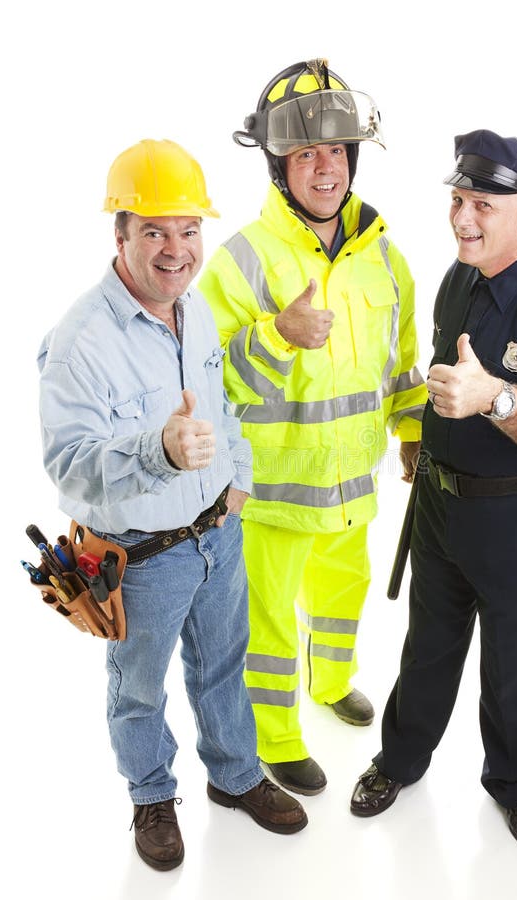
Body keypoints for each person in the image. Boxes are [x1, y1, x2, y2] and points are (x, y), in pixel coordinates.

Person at [37, 139, 307, 872]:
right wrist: (157, 449)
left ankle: (235, 774)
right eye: (153, 230)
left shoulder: (198, 314)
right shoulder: (81, 341)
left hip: (215, 536)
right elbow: (67, 464)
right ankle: (152, 795)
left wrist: (237, 478)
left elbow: (226, 408)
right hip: (142, 558)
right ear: (119, 234)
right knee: (137, 688)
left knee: (224, 664)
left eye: (188, 229)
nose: (175, 249)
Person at [350, 130, 517, 850]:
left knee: (513, 658)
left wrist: (494, 397)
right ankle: (399, 759)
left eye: (482, 206)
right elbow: (441, 379)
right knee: (427, 647)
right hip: (439, 505)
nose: (462, 218)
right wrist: (421, 446)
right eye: (458, 200)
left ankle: (515, 781)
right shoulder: (458, 277)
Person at [199, 60, 427, 796]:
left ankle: (330, 684)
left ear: (352, 157)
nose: (324, 168)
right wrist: (276, 336)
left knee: (342, 596)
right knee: (264, 628)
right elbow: (204, 380)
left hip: (351, 484)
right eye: (305, 155)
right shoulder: (241, 259)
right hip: (267, 493)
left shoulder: (384, 258)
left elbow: (400, 362)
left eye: (334, 151)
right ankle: (276, 740)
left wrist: (412, 431)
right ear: (278, 166)